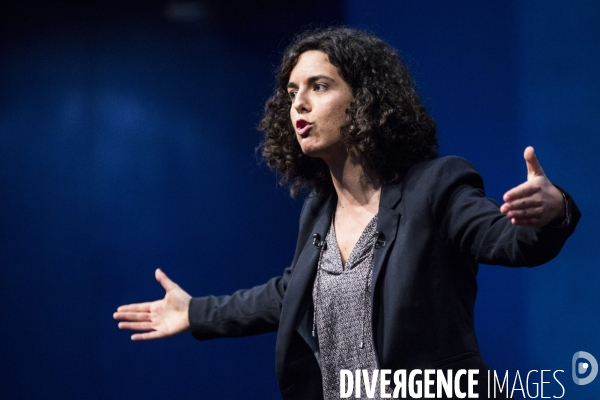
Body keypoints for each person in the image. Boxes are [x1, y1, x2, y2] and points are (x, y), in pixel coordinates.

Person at [113, 27, 580, 399]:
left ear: (365, 100)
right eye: (293, 90)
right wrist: (196, 312)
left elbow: (505, 240)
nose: (299, 102)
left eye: (319, 86)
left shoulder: (436, 185)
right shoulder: (319, 211)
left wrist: (553, 211)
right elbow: (289, 294)